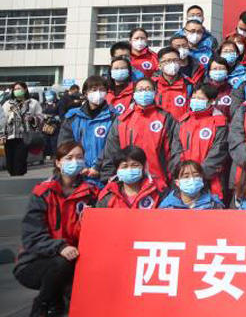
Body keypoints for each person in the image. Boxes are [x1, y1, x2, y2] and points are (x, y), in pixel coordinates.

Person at [14, 142, 98, 317]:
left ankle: (57, 303)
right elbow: (32, 237)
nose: (75, 161)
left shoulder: (91, 193)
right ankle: (41, 306)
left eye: (79, 157)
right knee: (61, 263)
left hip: (76, 259)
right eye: (69, 158)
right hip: (35, 261)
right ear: (58, 162)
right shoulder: (43, 192)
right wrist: (60, 247)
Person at [101, 77, 182, 184]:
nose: (144, 92)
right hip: (127, 179)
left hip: (158, 181)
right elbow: (111, 151)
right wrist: (108, 177)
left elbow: (174, 151)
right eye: (140, 89)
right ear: (134, 94)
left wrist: (173, 178)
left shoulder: (166, 118)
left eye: (148, 89)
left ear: (155, 92)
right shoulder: (122, 119)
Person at [173, 83, 230, 200]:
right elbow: (175, 150)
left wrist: (197, 176)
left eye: (200, 98)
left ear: (211, 101)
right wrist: (184, 174)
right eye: (194, 98)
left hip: (210, 180)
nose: (195, 101)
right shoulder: (183, 121)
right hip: (184, 180)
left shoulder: (220, 123)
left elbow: (218, 153)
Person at [58, 76, 115, 180]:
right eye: (94, 90)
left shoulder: (114, 116)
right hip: (77, 172)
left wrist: (97, 167)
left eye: (102, 90)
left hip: (104, 173)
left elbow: (112, 146)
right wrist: (80, 166)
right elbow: (65, 144)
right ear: (85, 93)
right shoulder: (73, 116)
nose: (98, 93)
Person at [96, 145, 165, 209]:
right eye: (124, 166)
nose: (130, 169)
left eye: (134, 165)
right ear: (117, 170)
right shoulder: (107, 195)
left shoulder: (158, 191)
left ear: (144, 167)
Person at [1, 82, 43, 176]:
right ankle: (14, 176)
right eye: (15, 89)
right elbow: (2, 119)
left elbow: (40, 117)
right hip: (10, 137)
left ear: (25, 89)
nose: (17, 91)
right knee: (10, 163)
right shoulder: (8, 103)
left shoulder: (33, 103)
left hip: (24, 137)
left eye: (19, 89)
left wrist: (32, 119)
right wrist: (2, 134)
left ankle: (19, 178)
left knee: (19, 161)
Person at [158, 160, 225, 209]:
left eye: (196, 175)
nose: (192, 179)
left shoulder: (213, 204)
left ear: (202, 179)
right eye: (186, 176)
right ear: (177, 182)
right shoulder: (167, 207)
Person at [41, 89, 61, 162]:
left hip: (55, 125)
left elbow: (61, 114)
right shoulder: (43, 104)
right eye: (47, 95)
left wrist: (56, 117)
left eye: (50, 95)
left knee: (54, 141)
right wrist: (43, 116)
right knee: (45, 141)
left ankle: (55, 155)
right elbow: (40, 113)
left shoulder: (58, 103)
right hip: (45, 126)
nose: (48, 97)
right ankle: (46, 154)